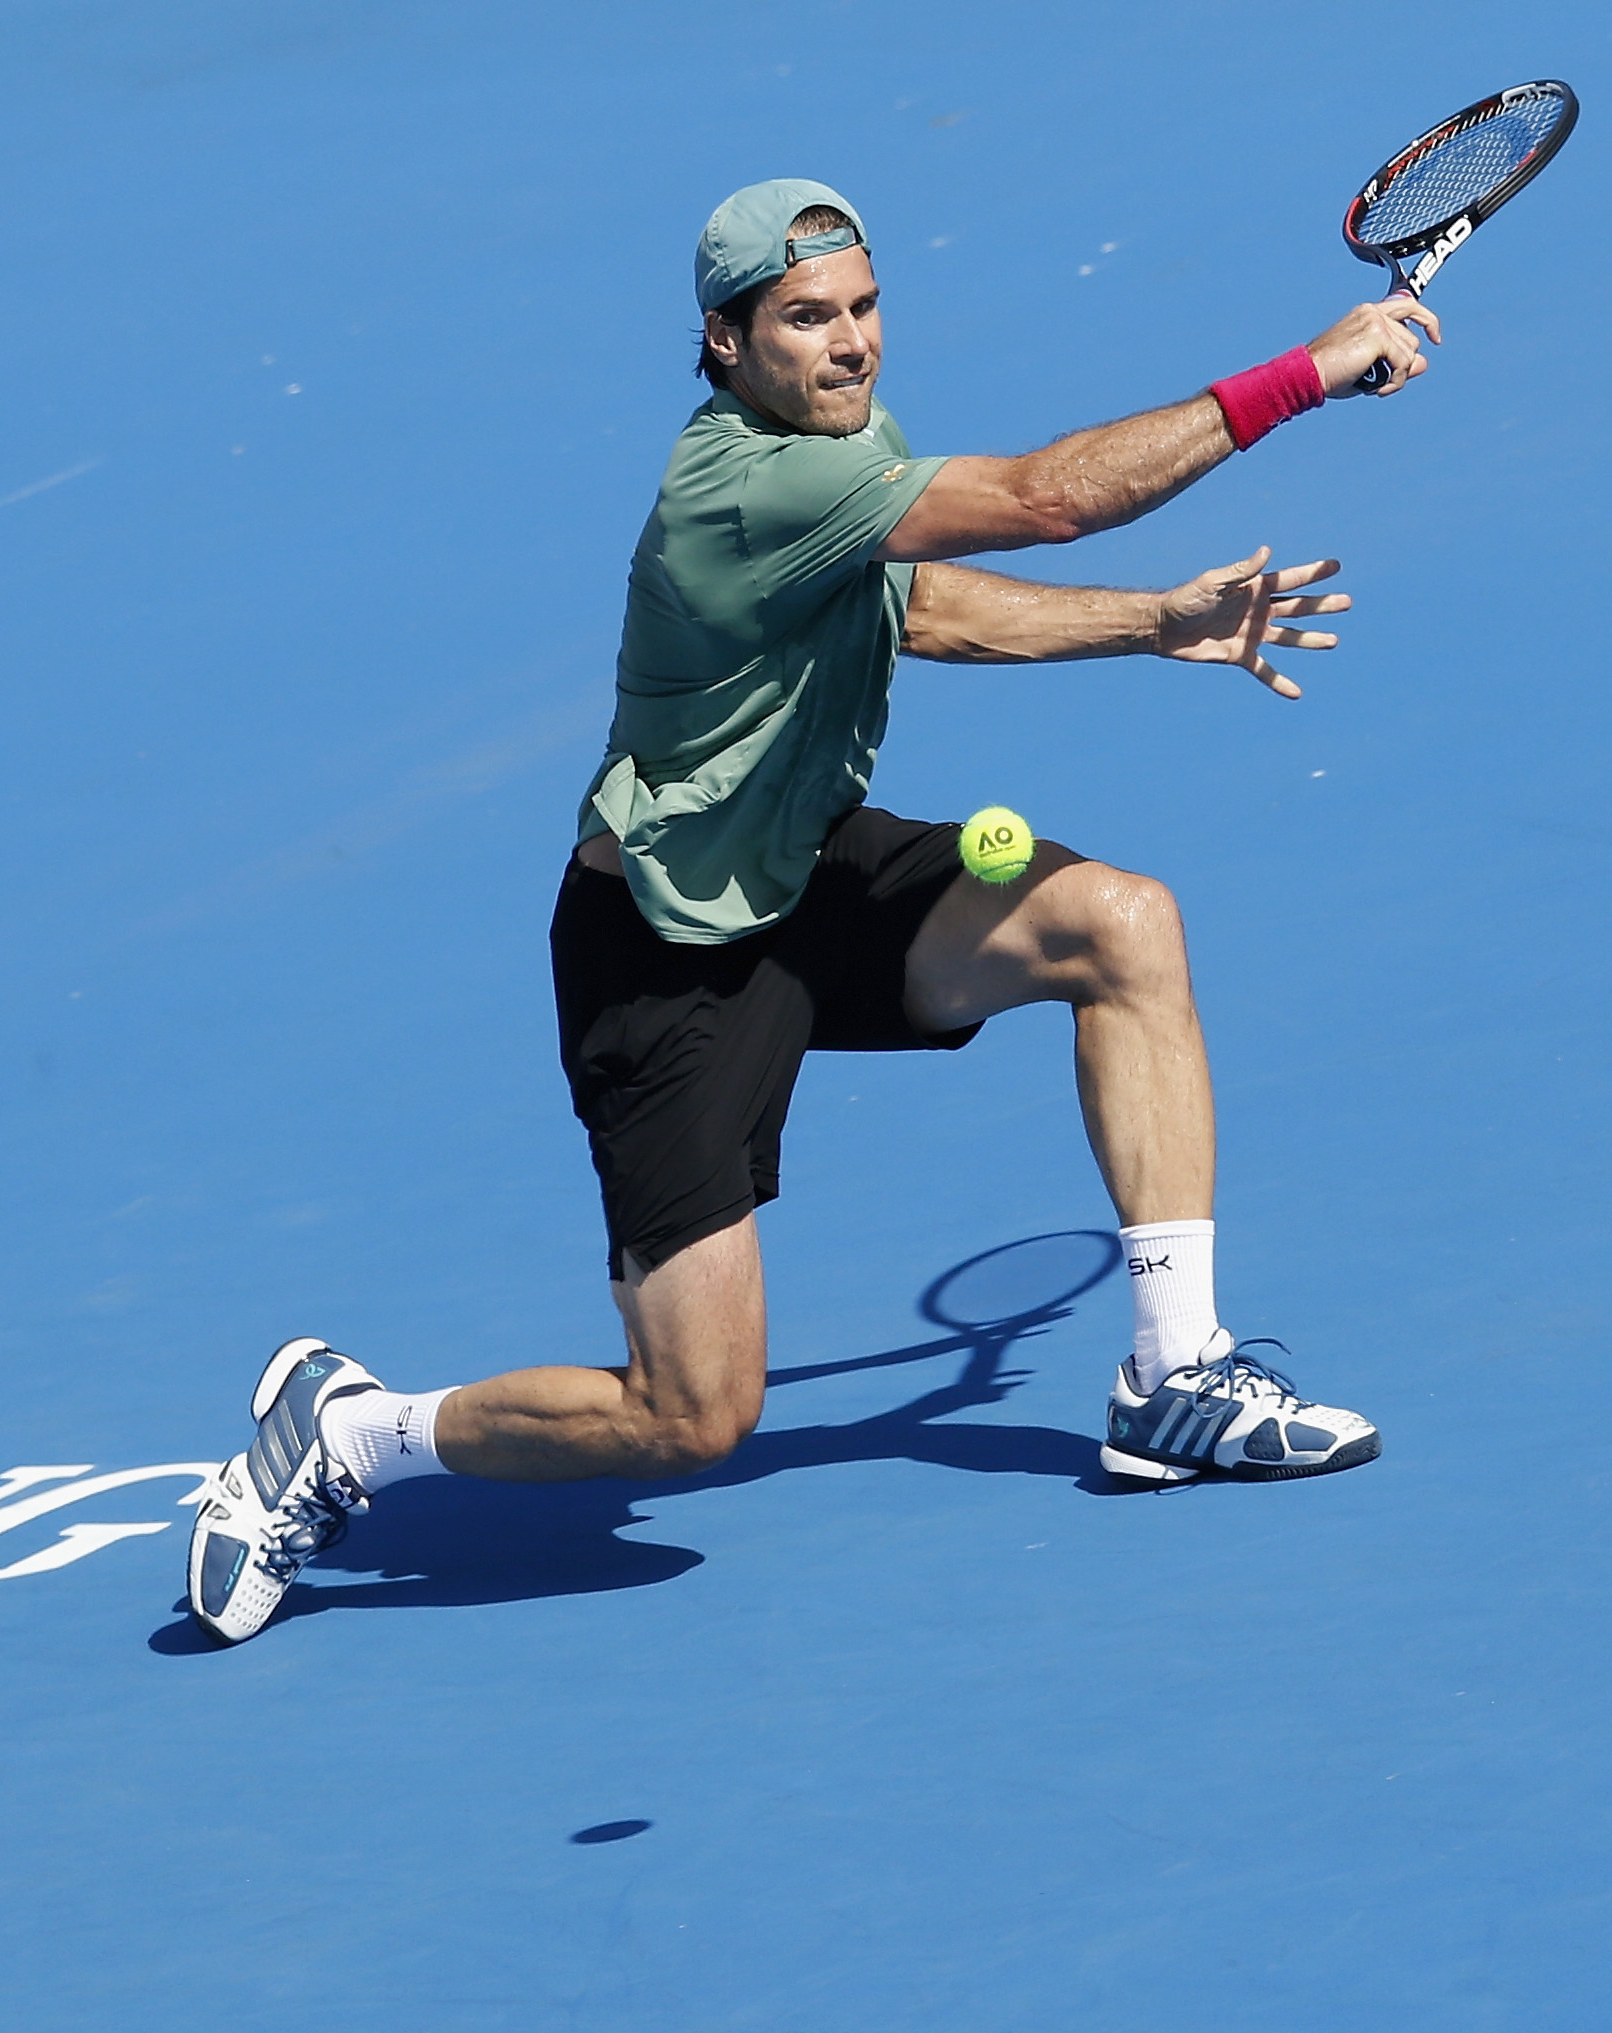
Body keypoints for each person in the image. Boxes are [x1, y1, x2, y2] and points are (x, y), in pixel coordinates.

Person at [187, 177, 1431, 1646]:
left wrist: (1151, 622)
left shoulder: (840, 445)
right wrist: (1311, 371)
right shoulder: (743, 485)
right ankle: (352, 1435)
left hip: (808, 876)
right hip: (663, 955)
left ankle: (1175, 1378)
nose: (850, 347)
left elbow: (922, 607)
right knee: (690, 1420)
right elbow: (1046, 499)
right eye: (805, 320)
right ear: (723, 343)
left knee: (1122, 926)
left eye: (863, 308)